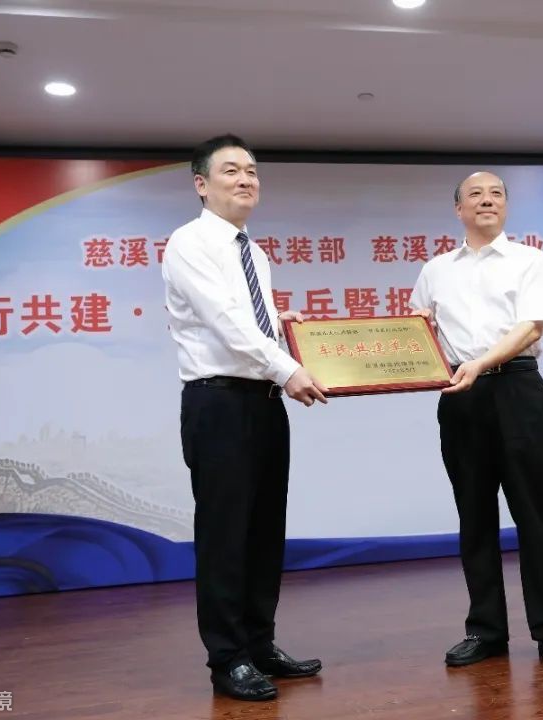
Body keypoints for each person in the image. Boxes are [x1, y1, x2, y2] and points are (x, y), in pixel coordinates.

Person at [162, 134, 328, 701]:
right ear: (201, 184)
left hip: (263, 402)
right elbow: (226, 323)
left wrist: (284, 327)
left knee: (263, 532)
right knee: (225, 535)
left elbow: (250, 322)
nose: (246, 179)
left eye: (252, 171)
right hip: (218, 404)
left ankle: (259, 644)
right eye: (231, 170)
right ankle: (227, 658)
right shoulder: (189, 242)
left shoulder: (254, 253)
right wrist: (288, 367)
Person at [410, 171, 543, 668]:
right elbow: (416, 332)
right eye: (476, 195)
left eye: (497, 194)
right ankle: (485, 630)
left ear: (505, 206)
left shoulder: (530, 260)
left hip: (517, 389)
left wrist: (481, 363)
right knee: (474, 515)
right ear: (458, 209)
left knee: (532, 512)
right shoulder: (435, 270)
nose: (488, 200)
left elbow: (532, 327)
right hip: (461, 396)